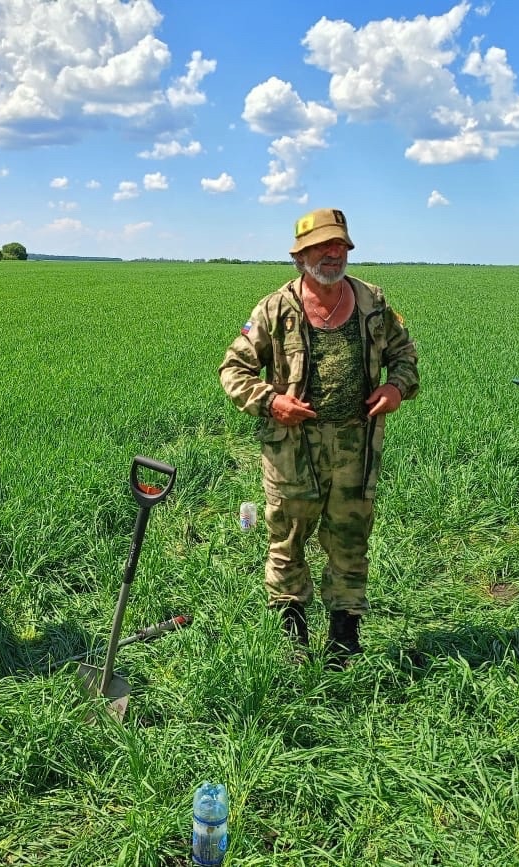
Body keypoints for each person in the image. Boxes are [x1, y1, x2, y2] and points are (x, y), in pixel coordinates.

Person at [219, 208, 419, 666]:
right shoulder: (274, 309)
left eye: (340, 246)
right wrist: (272, 402)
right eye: (322, 247)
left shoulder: (373, 303)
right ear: (300, 256)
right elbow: (233, 369)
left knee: (350, 542)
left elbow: (405, 357)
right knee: (287, 541)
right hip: (292, 452)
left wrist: (395, 387)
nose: (333, 254)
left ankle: (344, 640)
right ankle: (292, 641)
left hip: (355, 451)